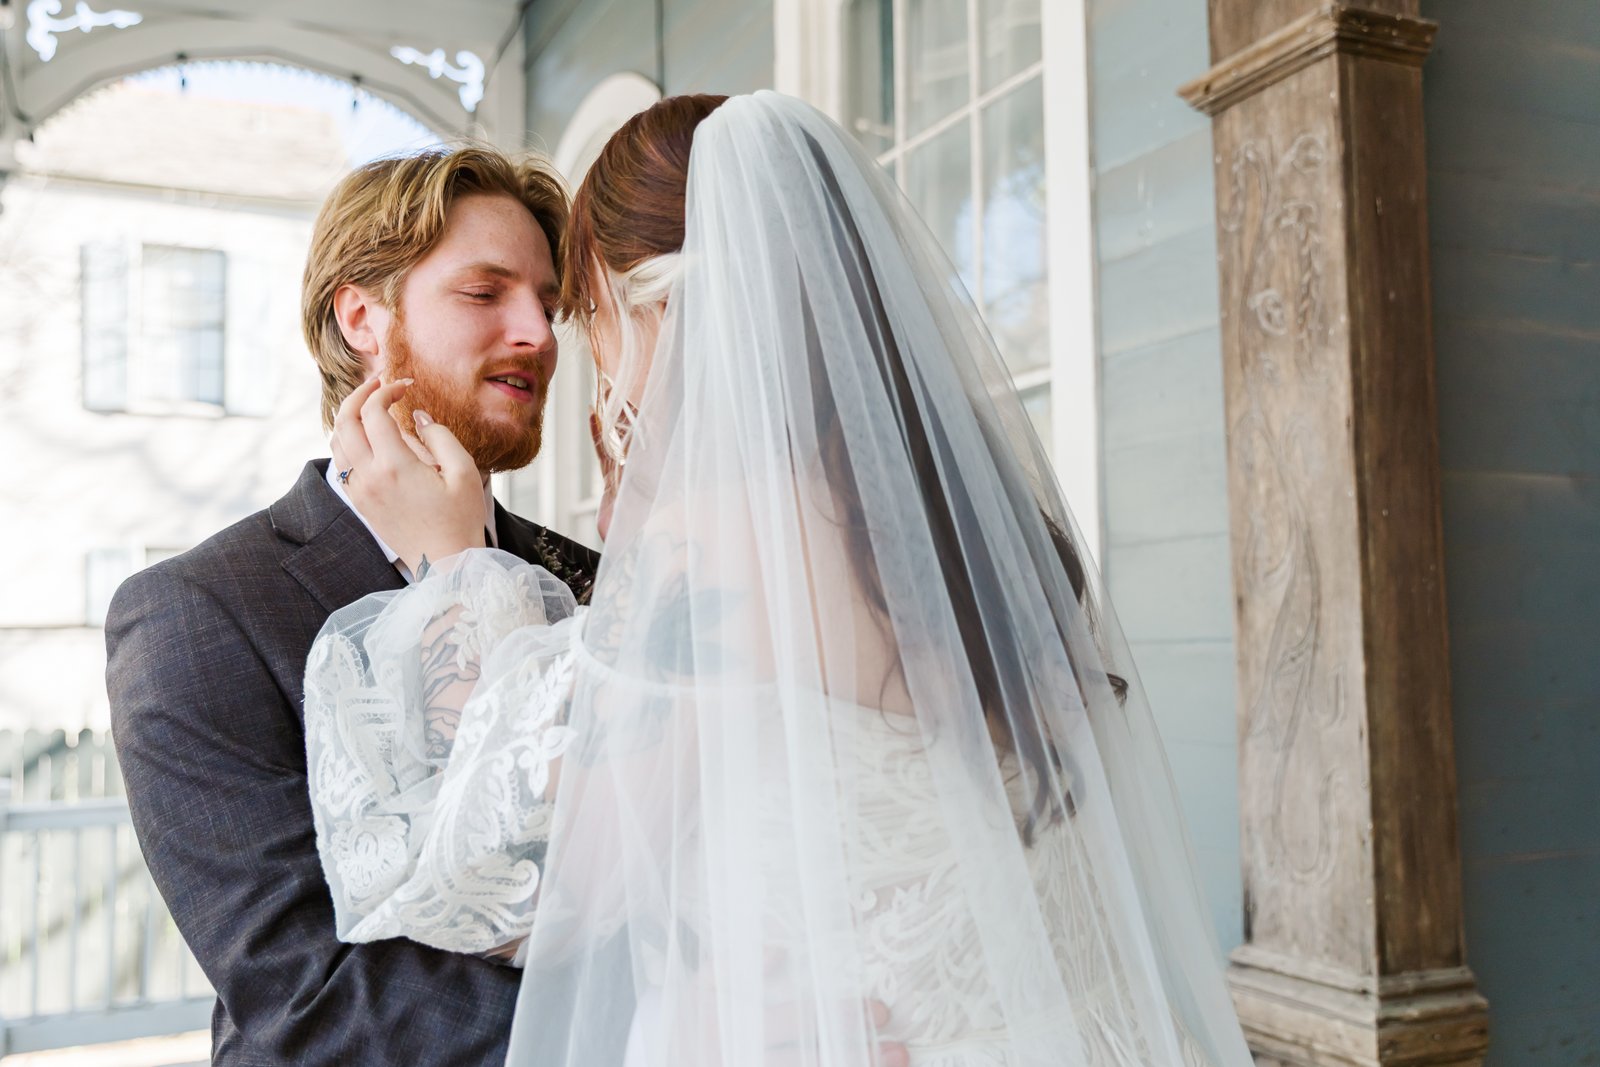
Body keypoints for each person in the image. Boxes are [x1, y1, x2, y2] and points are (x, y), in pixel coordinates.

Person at [307, 92, 1257, 1066]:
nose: (584, 357)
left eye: (585, 310)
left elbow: (505, 879)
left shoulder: (711, 546)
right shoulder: (976, 519)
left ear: (658, 306)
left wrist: (454, 564)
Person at [105, 145, 601, 1065]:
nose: (537, 330)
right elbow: (311, 996)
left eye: (547, 299)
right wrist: (648, 1022)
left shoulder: (593, 578)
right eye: (486, 292)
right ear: (362, 317)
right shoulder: (196, 613)